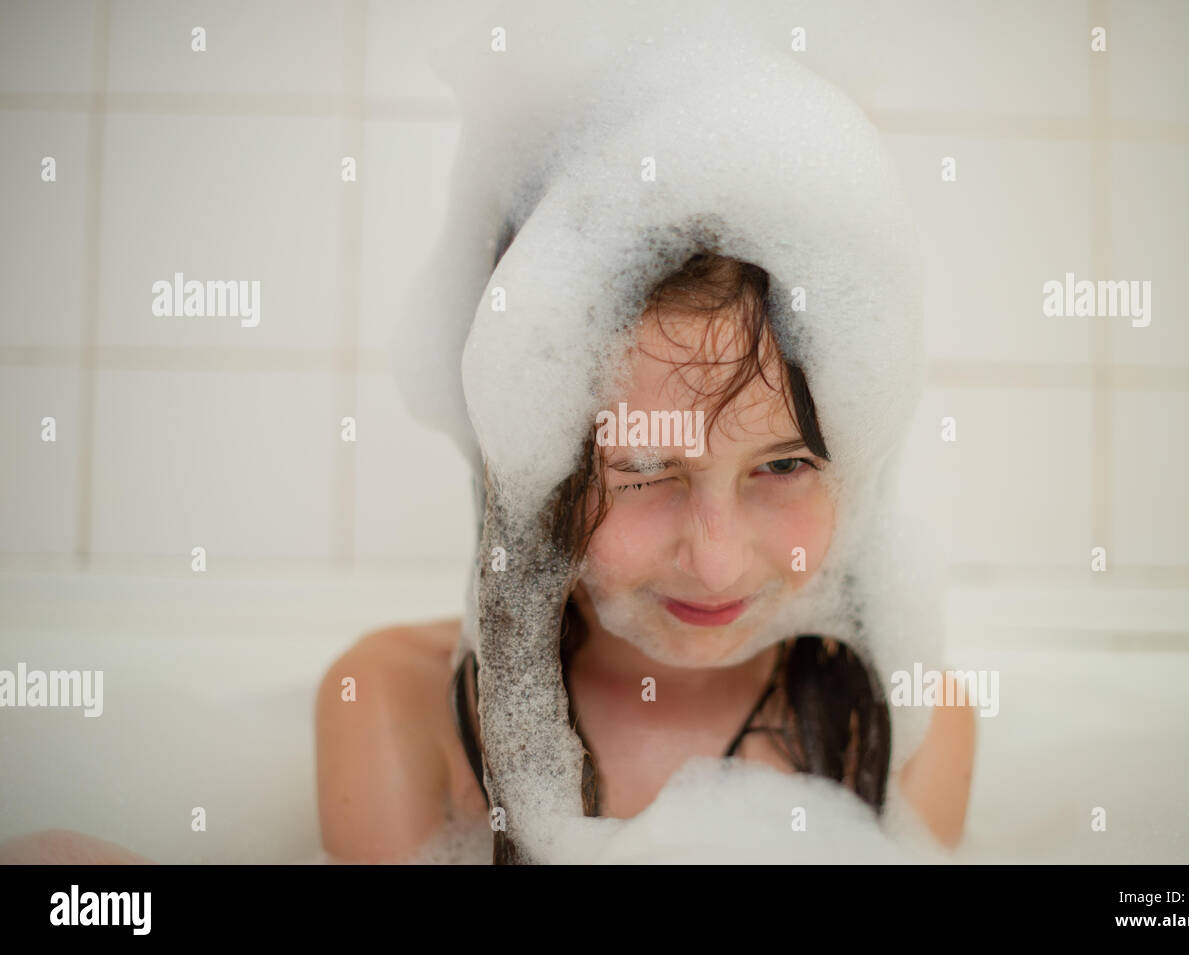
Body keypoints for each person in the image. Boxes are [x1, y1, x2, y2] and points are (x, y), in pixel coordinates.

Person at [317, 251, 976, 864]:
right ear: (534, 477)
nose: (716, 562)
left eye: (784, 463)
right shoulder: (404, 711)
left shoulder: (904, 725)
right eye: (645, 469)